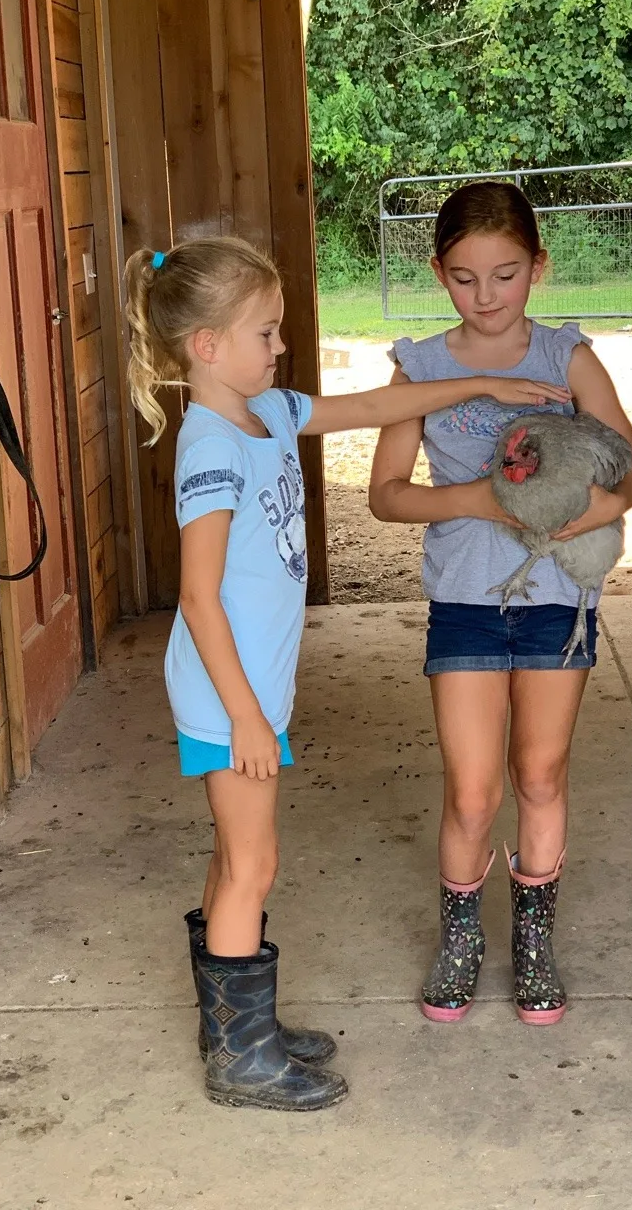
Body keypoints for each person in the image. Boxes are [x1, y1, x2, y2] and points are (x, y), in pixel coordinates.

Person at [124, 235, 569, 1112]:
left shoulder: (269, 413)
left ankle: (232, 1027)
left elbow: (371, 404)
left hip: (248, 686)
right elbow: (200, 598)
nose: (280, 345)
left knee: (232, 858)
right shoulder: (213, 449)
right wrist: (248, 719)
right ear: (207, 346)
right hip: (228, 693)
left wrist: (480, 384)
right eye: (265, 332)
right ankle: (242, 1059)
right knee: (253, 864)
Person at [368, 182, 632, 1027]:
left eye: (504, 275)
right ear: (437, 273)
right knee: (471, 791)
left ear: (538, 267)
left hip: (559, 601)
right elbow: (385, 496)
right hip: (463, 601)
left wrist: (597, 511)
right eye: (464, 278)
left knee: (541, 772)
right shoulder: (418, 367)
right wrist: (484, 504)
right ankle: (460, 936)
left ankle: (534, 937)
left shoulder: (567, 359)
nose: (486, 297)